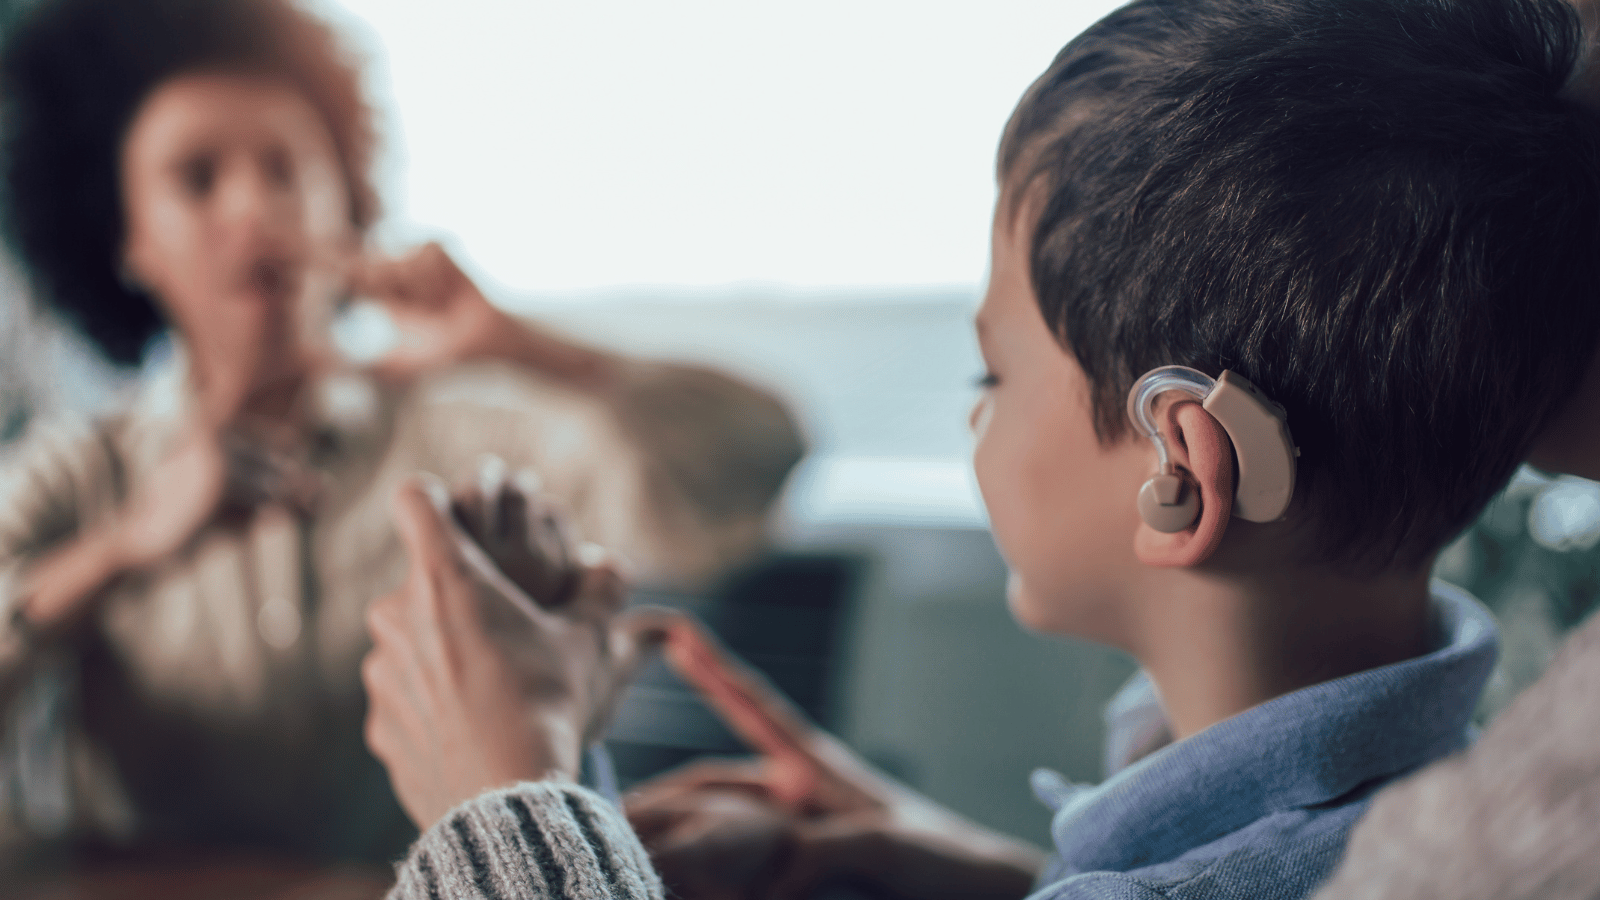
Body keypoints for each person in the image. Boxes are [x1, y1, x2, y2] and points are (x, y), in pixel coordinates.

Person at [357, 0, 1600, 896]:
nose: (972, 414)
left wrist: (503, 797)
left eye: (992, 373)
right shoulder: (1439, 809)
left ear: (1181, 472)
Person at [0, 0, 803, 863]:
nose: (253, 207)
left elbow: (757, 458)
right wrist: (124, 547)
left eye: (285, 170)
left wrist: (516, 342)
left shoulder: (464, 441)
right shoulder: (82, 474)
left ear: (345, 204)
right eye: (198, 177)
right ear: (129, 240)